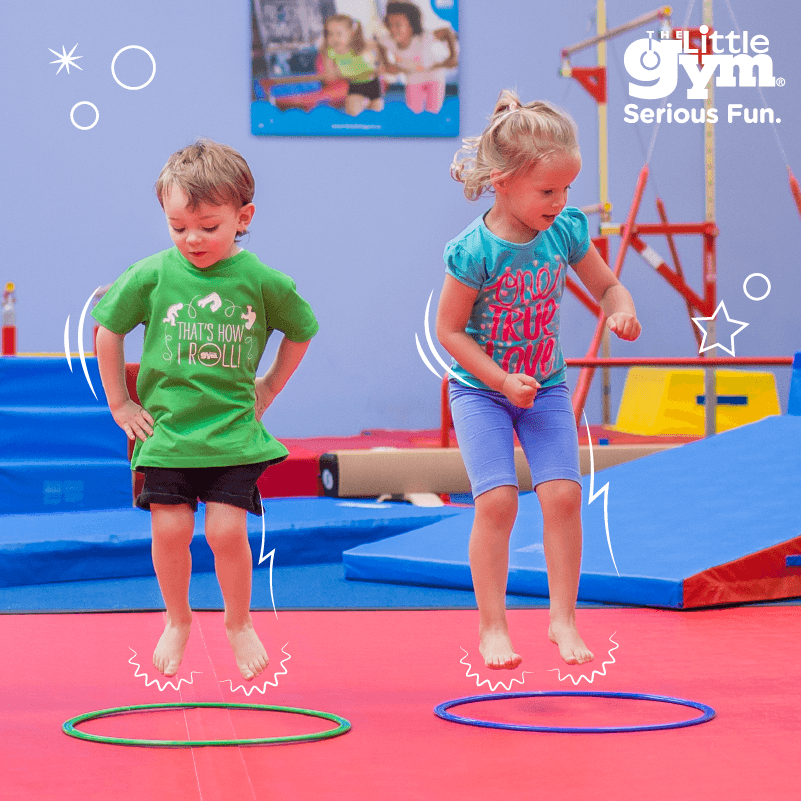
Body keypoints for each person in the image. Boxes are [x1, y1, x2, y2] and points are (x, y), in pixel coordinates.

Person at [93, 140, 318, 680]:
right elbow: (108, 328)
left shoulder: (260, 280)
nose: (192, 239)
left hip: (231, 434)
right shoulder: (153, 274)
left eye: (208, 227)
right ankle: (178, 619)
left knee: (225, 532)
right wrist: (120, 402)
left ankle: (238, 622)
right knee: (169, 531)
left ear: (243, 218)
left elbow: (302, 329)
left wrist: (269, 387)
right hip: (168, 433)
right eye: (178, 227)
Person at [437, 90, 641, 670]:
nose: (561, 201)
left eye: (567, 188)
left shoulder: (565, 230)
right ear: (502, 183)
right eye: (548, 191)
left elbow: (607, 286)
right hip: (481, 391)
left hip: (546, 386)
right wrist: (501, 381)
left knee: (564, 495)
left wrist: (621, 310)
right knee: (498, 502)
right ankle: (493, 627)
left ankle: (563, 618)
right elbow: (449, 331)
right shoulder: (473, 250)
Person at [377, 1, 458, 114]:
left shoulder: (424, 37)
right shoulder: (389, 40)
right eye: (390, 25)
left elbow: (447, 32)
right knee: (413, 110)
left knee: (433, 110)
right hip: (413, 78)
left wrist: (452, 57)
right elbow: (380, 44)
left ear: (411, 25)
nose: (393, 29)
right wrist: (387, 63)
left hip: (434, 76)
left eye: (398, 25)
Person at [322, 14, 384, 116]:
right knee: (352, 113)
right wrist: (333, 73)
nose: (334, 38)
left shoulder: (362, 45)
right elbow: (329, 74)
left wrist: (380, 64)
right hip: (355, 84)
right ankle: (364, 104)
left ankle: (368, 103)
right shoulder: (330, 52)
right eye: (330, 34)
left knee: (377, 113)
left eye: (339, 34)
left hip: (372, 83)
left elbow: (378, 48)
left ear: (351, 34)